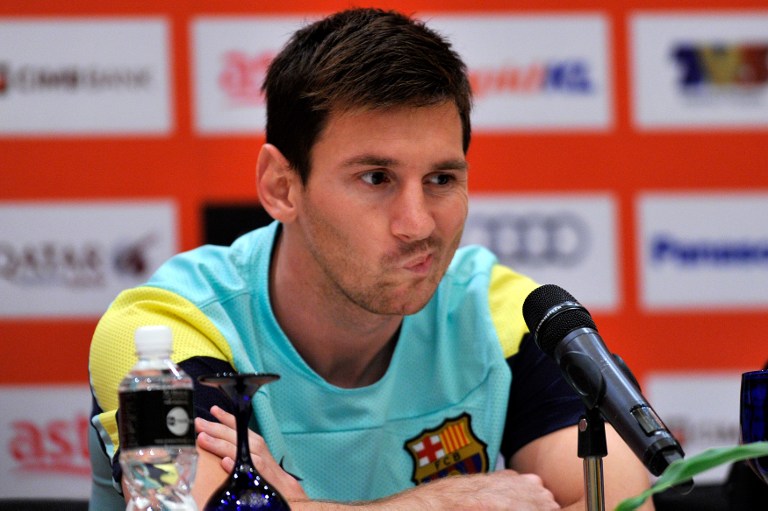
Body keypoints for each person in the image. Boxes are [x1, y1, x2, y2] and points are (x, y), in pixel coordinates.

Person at [88, 7, 653, 510]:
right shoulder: (160, 331)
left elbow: (616, 501)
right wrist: (445, 505)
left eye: (441, 179)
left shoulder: (501, 313)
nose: (419, 224)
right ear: (282, 186)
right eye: (375, 177)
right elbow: (184, 506)